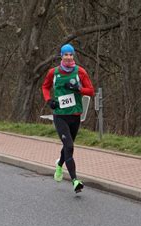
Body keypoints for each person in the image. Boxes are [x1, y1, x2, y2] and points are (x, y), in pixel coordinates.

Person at [41, 43, 95, 193]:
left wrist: (79, 89)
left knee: (67, 146)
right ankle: (75, 181)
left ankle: (59, 164)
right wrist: (48, 100)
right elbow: (45, 87)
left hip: (75, 115)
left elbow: (91, 91)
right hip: (60, 115)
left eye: (71, 54)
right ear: (61, 56)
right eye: (66, 54)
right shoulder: (53, 73)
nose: (69, 57)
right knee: (69, 146)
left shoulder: (80, 72)